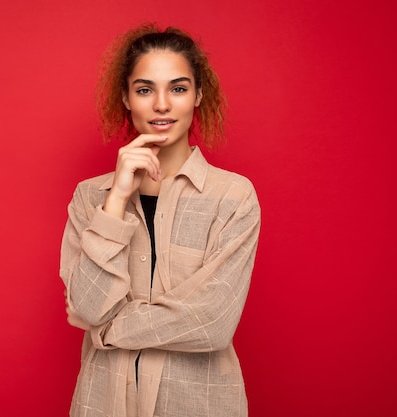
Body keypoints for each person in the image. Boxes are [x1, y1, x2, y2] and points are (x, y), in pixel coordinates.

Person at [60, 23, 260, 417]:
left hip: (198, 405)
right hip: (101, 403)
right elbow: (87, 303)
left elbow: (211, 323)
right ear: (127, 98)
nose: (162, 105)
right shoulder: (91, 197)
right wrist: (116, 199)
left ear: (198, 95)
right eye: (145, 89)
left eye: (179, 88)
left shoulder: (232, 197)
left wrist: (104, 329)